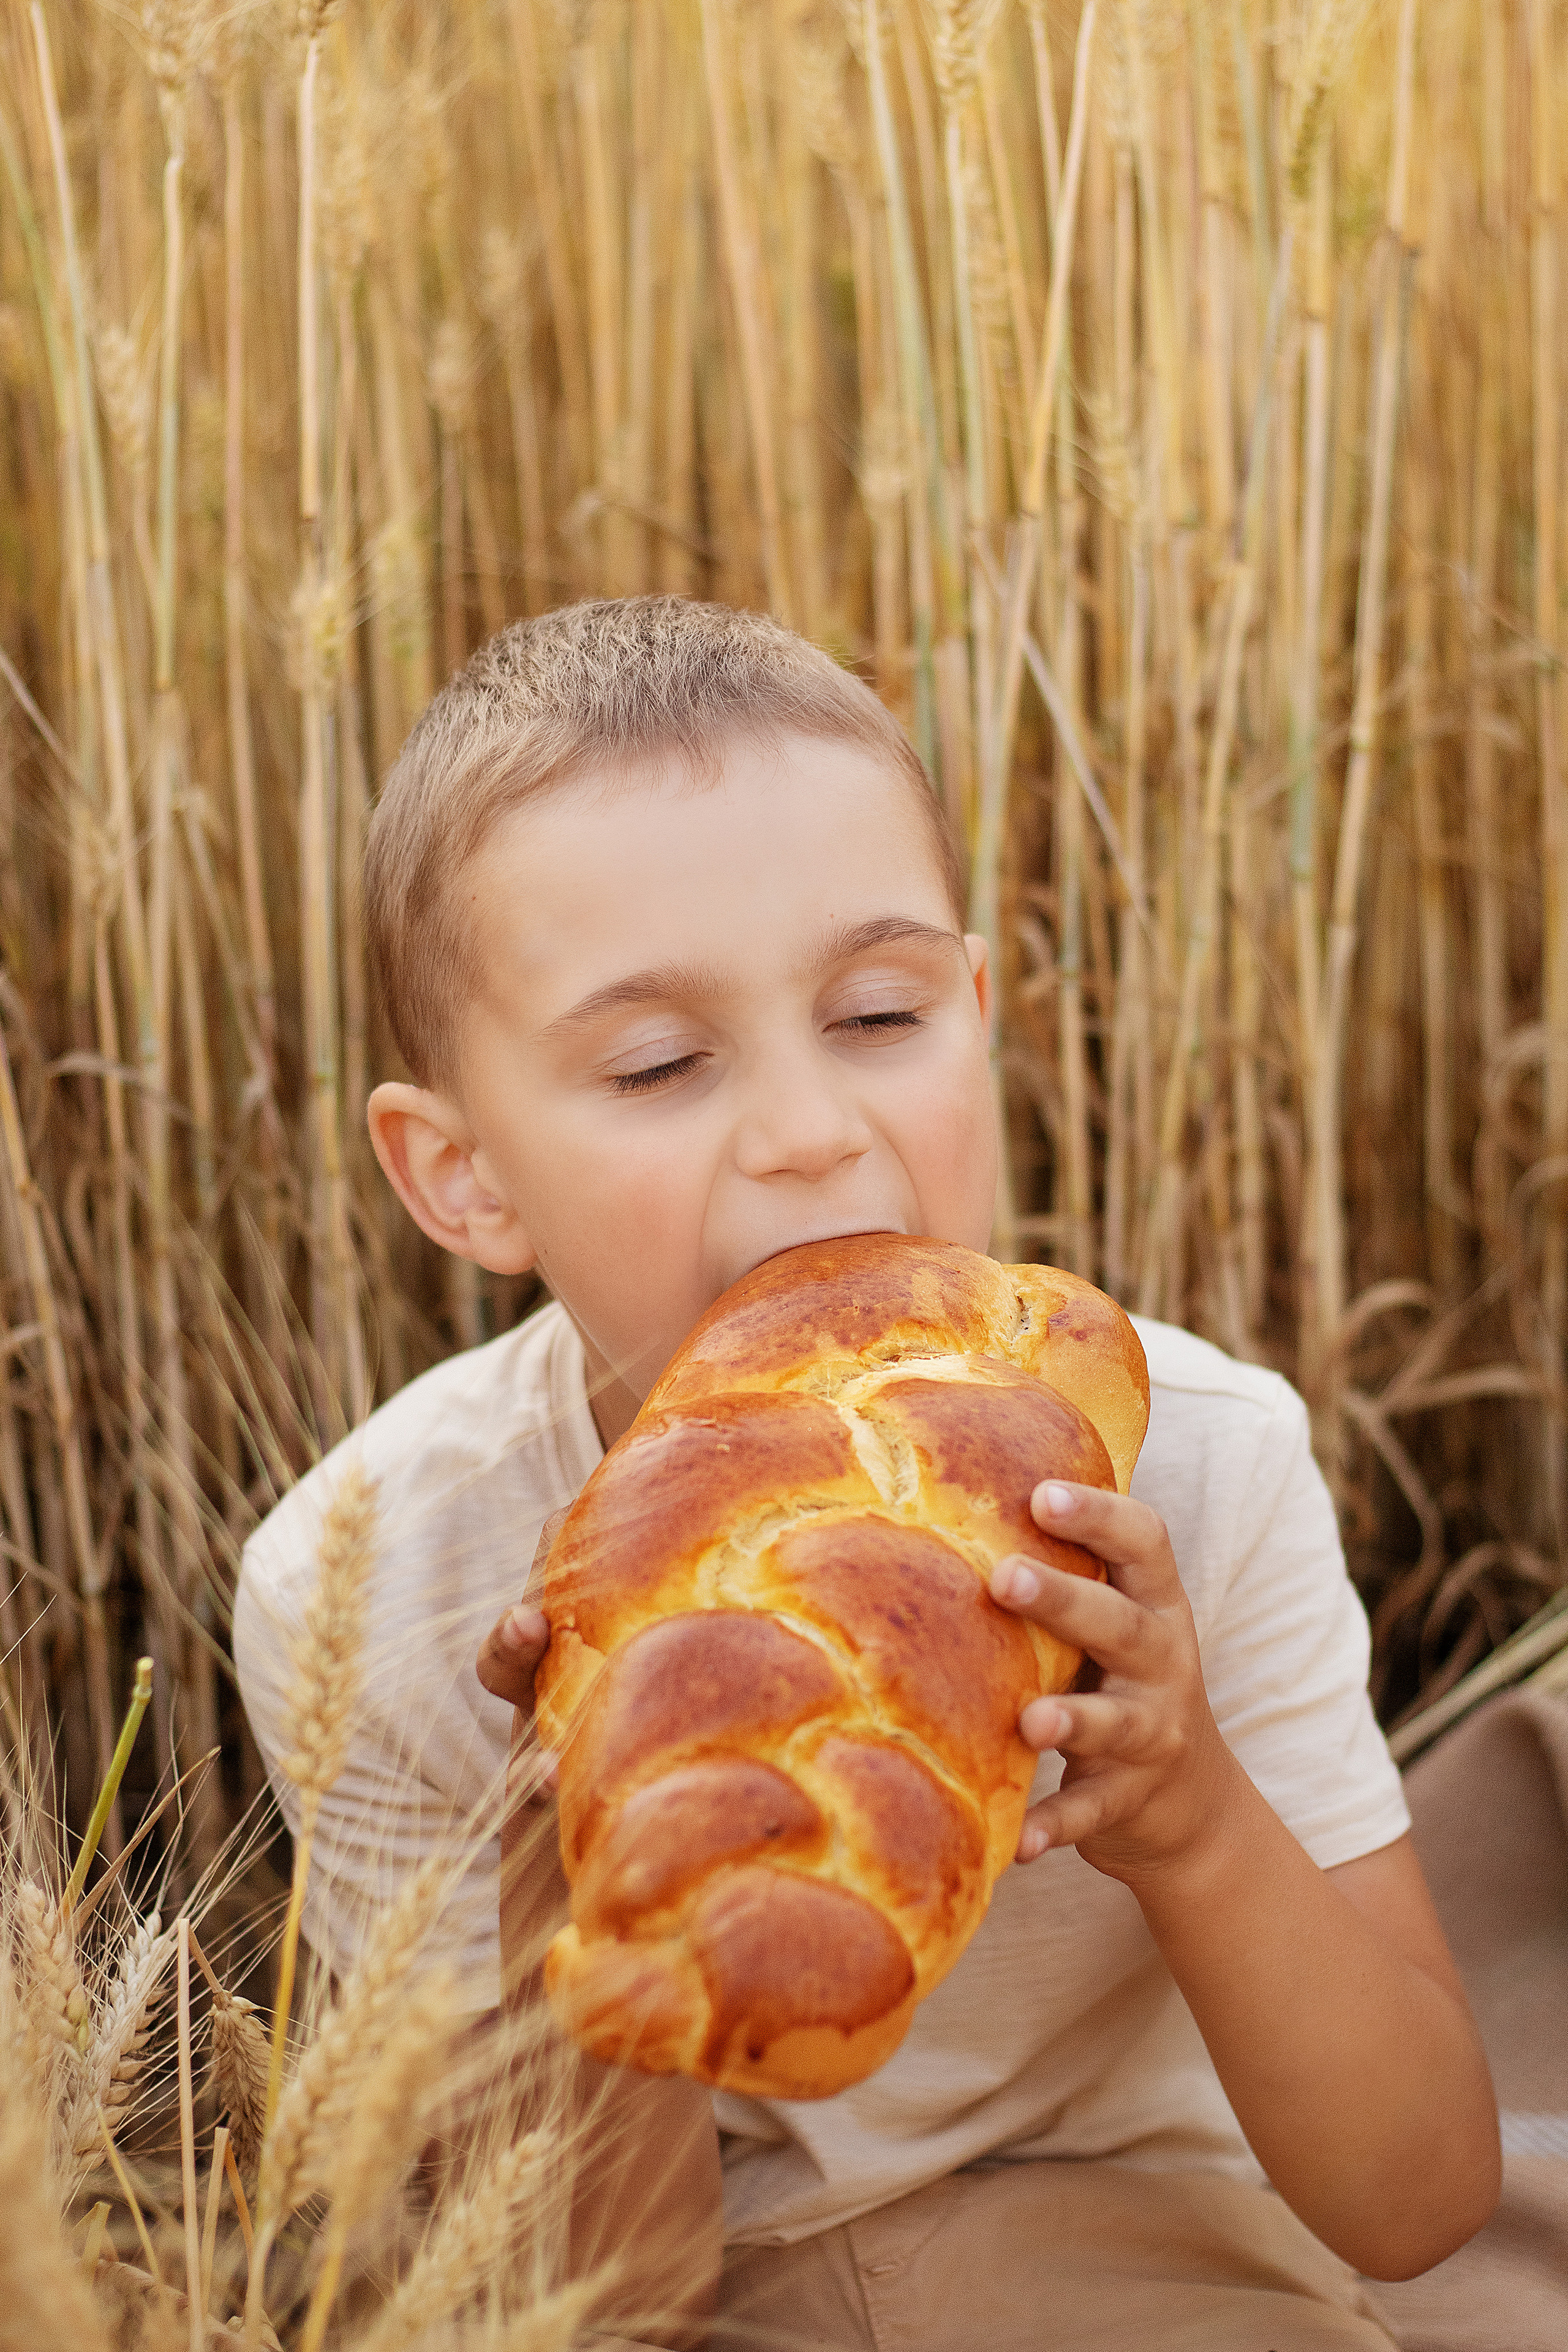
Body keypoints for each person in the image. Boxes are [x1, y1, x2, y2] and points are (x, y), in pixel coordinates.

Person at [235, 597, 1499, 2351]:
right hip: (713, 2293)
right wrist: (574, 1862)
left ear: (979, 1015)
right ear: (463, 1175)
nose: (810, 1130)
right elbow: (596, 2307)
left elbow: (1420, 2198)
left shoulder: (1198, 1468)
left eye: (881, 1015)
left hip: (1145, 2250)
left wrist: (1192, 1813)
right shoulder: (373, 1585)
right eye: (659, 1063)